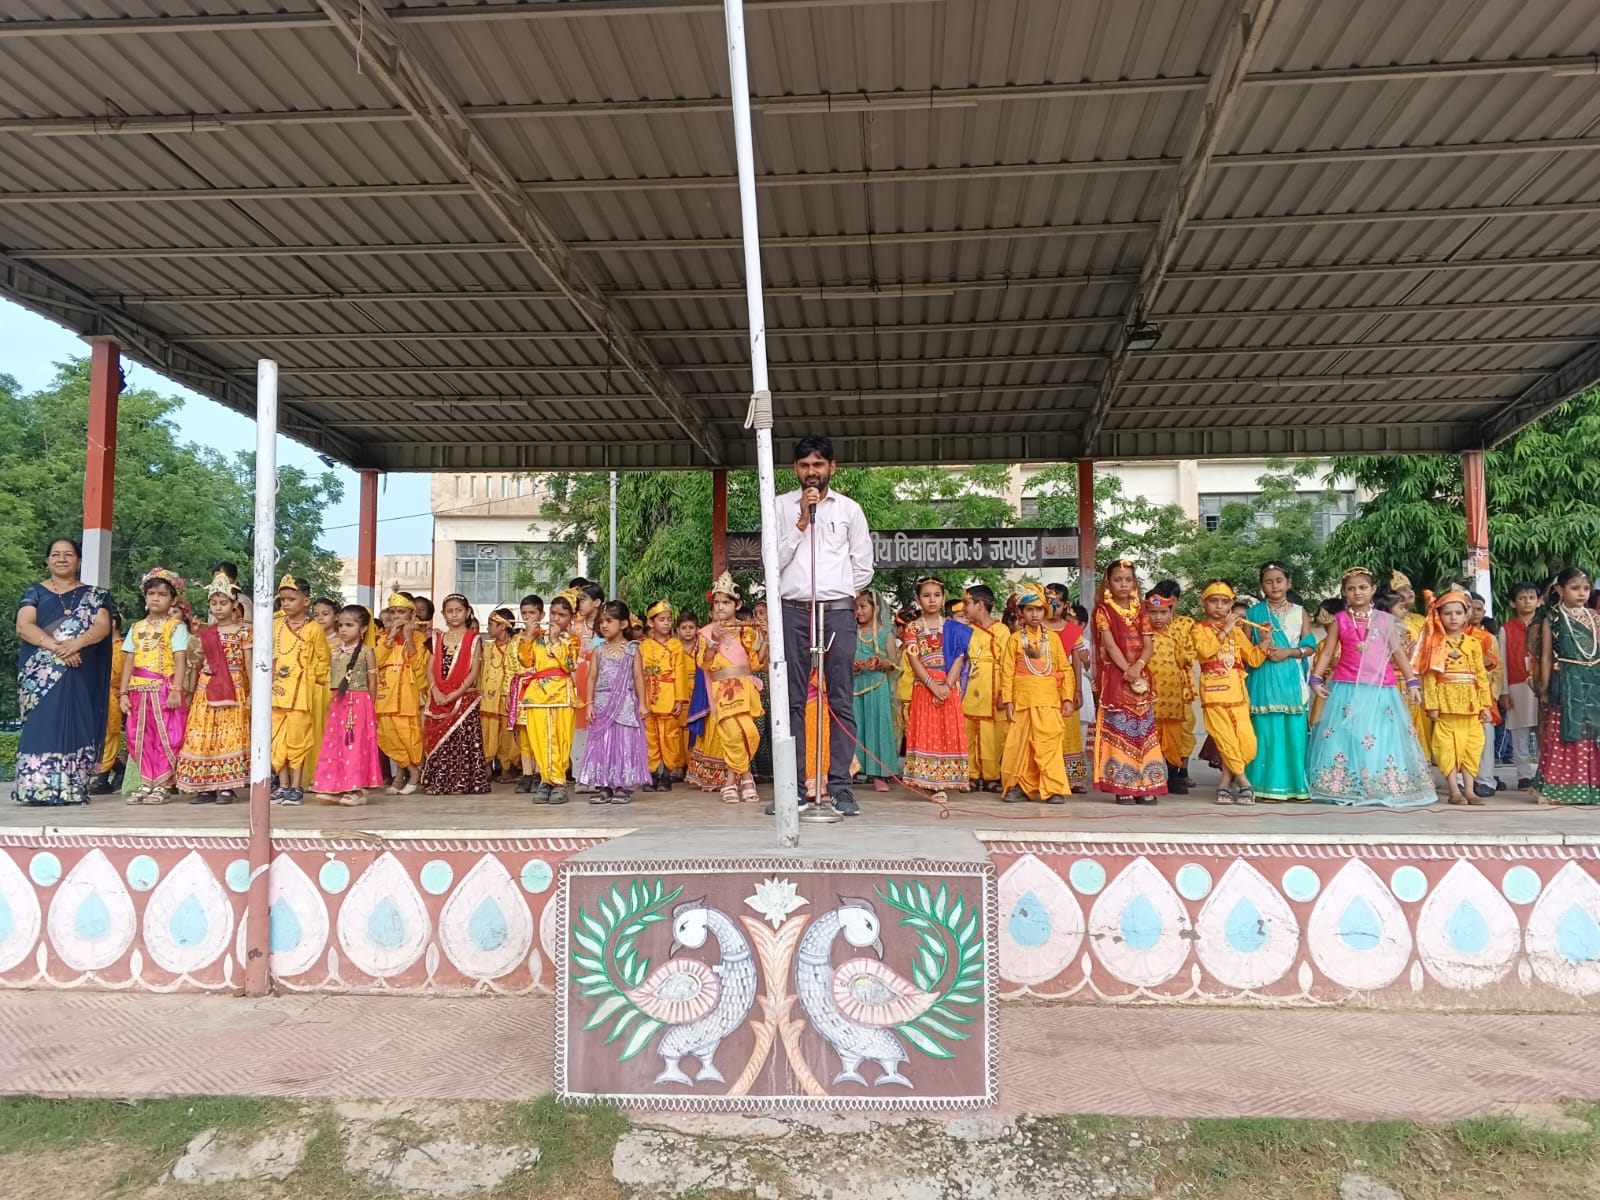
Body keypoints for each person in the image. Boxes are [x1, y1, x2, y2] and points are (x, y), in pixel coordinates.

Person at [773, 433, 874, 816]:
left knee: (840, 697)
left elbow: (863, 565)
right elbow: (773, 561)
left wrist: (840, 592)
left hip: (836, 610)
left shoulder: (850, 510)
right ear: (794, 470)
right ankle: (794, 790)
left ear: (832, 468)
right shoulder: (781, 506)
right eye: (804, 465)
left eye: (818, 465)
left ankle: (840, 787)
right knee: (793, 700)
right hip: (793, 609)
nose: (811, 472)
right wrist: (801, 520)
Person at [1307, 567, 1434, 808]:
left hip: (1380, 688)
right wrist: (1315, 679)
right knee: (1347, 736)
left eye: (1363, 587)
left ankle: (1380, 784)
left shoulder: (1386, 620)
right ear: (1344, 592)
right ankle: (1348, 785)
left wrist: (1413, 681)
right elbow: (1327, 653)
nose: (1357, 592)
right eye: (1351, 588)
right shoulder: (1340, 620)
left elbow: (1398, 654)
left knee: (1379, 737)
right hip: (1346, 686)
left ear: (1373, 590)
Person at [14, 538, 114, 807]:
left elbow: (102, 626)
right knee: (41, 724)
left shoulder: (95, 595)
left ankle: (72, 787)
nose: (61, 559)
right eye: (55, 554)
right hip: (40, 672)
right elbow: (24, 626)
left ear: (79, 561)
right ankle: (34, 788)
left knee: (77, 720)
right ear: (47, 560)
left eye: (68, 554)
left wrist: (76, 644)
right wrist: (59, 648)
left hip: (79, 669)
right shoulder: (34, 591)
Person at [1093, 558, 1166, 805]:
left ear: (1134, 582)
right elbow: (1110, 646)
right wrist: (1127, 670)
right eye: (1117, 580)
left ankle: (1147, 785)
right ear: (1108, 583)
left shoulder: (1142, 611)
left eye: (1128, 579)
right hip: (1116, 677)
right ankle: (1122, 785)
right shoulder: (1103, 611)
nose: (1123, 584)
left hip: (1140, 676)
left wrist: (1139, 667)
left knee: (1143, 731)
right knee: (1120, 730)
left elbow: (1148, 646)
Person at [176, 571, 251, 805]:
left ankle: (226, 786)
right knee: (203, 736)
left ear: (234, 604)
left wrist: (253, 694)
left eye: (223, 603)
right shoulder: (204, 633)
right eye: (214, 603)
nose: (218, 608)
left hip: (234, 688)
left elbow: (249, 665)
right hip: (206, 689)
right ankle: (204, 786)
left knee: (229, 737)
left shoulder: (244, 633)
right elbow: (194, 664)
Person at [1245, 562, 1318, 803]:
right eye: (1268, 581)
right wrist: (1263, 647)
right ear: (1261, 585)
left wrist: (1288, 652)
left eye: (1279, 580)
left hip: (1290, 681)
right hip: (1263, 679)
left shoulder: (1300, 612)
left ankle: (1297, 787)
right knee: (1266, 733)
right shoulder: (1253, 613)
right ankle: (1264, 787)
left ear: (1289, 583)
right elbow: (1245, 651)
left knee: (1294, 734)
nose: (1274, 585)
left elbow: (1310, 647)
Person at [1190, 582, 1267, 804]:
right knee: (1225, 740)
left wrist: (1265, 640)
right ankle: (1244, 783)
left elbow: (1252, 659)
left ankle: (1225, 781)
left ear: (1231, 605)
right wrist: (1225, 629)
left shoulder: (1235, 630)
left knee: (1247, 743)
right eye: (1214, 601)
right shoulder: (1199, 629)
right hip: (1214, 694)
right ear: (1204, 603)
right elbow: (1206, 651)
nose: (1219, 607)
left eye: (1225, 602)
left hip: (1238, 694)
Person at [118, 567, 190, 804]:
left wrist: (176, 690)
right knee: (138, 736)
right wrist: (123, 693)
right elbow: (128, 660)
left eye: (162, 594)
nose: (156, 598)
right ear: (145, 597)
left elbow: (180, 659)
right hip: (138, 690)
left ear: (172, 600)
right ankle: (146, 782)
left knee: (166, 736)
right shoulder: (136, 628)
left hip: (163, 689)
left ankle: (163, 784)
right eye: (152, 593)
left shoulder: (176, 627)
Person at [999, 581, 1074, 804]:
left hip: (1049, 700)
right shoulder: (1014, 640)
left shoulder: (1053, 639)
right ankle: (1020, 787)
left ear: (1045, 611)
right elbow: (1006, 672)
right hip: (1022, 700)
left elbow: (1065, 669)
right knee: (1019, 746)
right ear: (1021, 612)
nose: (1034, 614)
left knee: (1048, 744)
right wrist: (1008, 700)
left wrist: (1068, 697)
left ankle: (1053, 789)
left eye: (1039, 609)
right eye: (1029, 609)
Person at [1417, 589, 1494, 806]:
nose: (1453, 618)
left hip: (1471, 704)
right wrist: (1431, 704)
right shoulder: (1434, 643)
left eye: (1458, 613)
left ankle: (1470, 790)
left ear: (1466, 615)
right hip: (1445, 704)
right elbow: (1430, 677)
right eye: (1448, 613)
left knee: (1473, 745)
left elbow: (1481, 675)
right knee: (1446, 747)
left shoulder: (1473, 644)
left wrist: (1485, 705)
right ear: (1438, 615)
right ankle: (1454, 790)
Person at [1532, 568, 1600, 806]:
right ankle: (1560, 790)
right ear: (1559, 590)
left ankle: (1592, 789)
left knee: (1593, 734)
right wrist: (1545, 688)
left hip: (1593, 681)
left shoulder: (1594, 616)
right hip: (1566, 680)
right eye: (1575, 588)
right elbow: (1547, 655)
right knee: (1565, 734)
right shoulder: (1553, 618)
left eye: (1585, 588)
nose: (1582, 593)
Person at [699, 572, 767, 805]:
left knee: (750, 733)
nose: (720, 607)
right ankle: (745, 778)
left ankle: (731, 779)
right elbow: (705, 663)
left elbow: (757, 662)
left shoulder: (747, 630)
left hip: (745, 689)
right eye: (717, 602)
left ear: (737, 604)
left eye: (726, 602)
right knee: (732, 734)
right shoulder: (706, 632)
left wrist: (766, 637)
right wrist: (712, 640)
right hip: (722, 689)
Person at [901, 577, 970, 803]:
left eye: (937, 595)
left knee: (946, 732)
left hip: (948, 686)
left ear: (943, 598)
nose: (932, 600)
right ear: (918, 599)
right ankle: (931, 783)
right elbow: (913, 659)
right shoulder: (913, 628)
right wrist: (932, 685)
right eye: (926, 595)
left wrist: (947, 686)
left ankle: (948, 779)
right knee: (928, 733)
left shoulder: (954, 628)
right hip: (925, 686)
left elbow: (959, 658)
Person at [510, 590, 581, 805]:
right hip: (537, 695)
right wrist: (528, 636)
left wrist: (555, 641)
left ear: (572, 618)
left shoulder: (573, 640)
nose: (556, 619)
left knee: (560, 739)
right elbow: (525, 661)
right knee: (539, 738)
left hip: (561, 693)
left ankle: (558, 783)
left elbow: (569, 665)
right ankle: (545, 780)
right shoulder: (537, 638)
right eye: (554, 614)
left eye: (562, 615)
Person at [578, 601, 652, 805]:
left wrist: (643, 703)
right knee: (603, 743)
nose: (604, 625)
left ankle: (623, 786)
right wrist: (590, 703)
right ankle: (604, 786)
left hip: (625, 703)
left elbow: (638, 678)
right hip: (602, 703)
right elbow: (591, 678)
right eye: (601, 621)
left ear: (623, 624)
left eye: (609, 621)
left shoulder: (632, 649)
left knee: (624, 743)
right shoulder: (598, 650)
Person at [269, 574, 330, 806]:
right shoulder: (274, 625)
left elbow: (322, 660)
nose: (286, 604)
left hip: (302, 693)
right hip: (276, 691)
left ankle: (296, 787)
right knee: (277, 741)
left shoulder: (314, 629)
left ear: (306, 601)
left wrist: (314, 685)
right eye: (283, 599)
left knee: (298, 740)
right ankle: (282, 785)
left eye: (291, 599)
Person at [312, 605, 383, 806]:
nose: (343, 629)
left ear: (362, 629)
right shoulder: (334, 651)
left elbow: (372, 683)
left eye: (349, 625)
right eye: (341, 625)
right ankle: (335, 785)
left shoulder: (367, 652)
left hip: (360, 703)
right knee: (335, 743)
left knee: (354, 744)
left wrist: (372, 707)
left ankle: (356, 788)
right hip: (339, 703)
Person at [422, 593, 491, 795]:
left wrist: (455, 695)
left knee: (462, 743)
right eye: (449, 611)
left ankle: (462, 782)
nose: (454, 615)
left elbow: (473, 673)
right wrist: (435, 690)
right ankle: (441, 782)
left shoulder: (474, 639)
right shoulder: (437, 639)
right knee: (442, 742)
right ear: (443, 614)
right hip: (438, 697)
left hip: (464, 698)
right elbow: (430, 668)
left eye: (458, 610)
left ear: (467, 612)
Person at [949, 585, 1008, 793]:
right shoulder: (964, 628)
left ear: (980, 605)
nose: (964, 608)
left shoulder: (1002, 630)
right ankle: (971, 774)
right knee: (968, 733)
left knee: (994, 736)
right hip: (969, 685)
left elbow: (1008, 664)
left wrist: (1005, 693)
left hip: (993, 686)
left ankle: (992, 775)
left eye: (967, 603)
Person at [374, 592, 427, 797]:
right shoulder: (382, 638)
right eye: (393, 612)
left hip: (407, 698)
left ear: (412, 614)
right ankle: (414, 772)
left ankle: (411, 775)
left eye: (402, 612)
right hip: (384, 697)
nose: (397, 616)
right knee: (387, 738)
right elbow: (376, 663)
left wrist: (408, 638)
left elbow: (420, 669)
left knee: (409, 739)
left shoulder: (420, 638)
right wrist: (390, 637)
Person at [1145, 583, 1196, 795]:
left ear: (1171, 610)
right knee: (1149, 737)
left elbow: (1190, 656)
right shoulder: (1142, 633)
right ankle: (1152, 778)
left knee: (1175, 737)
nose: (1158, 618)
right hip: (1149, 694)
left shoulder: (1179, 632)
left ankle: (1176, 777)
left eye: (1163, 612)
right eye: (1153, 612)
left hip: (1175, 695)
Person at [851, 591, 899, 792]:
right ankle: (853, 770)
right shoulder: (851, 631)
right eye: (857, 607)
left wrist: (879, 663)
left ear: (876, 609)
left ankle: (880, 774)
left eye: (863, 607)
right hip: (854, 686)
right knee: (855, 728)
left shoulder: (885, 632)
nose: (859, 611)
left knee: (877, 727)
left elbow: (894, 664)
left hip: (877, 686)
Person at [638, 599, 686, 792]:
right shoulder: (643, 646)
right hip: (649, 694)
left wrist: (679, 699)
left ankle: (666, 773)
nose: (666, 623)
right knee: (650, 736)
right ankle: (651, 773)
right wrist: (640, 698)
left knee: (670, 736)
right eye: (662, 619)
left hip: (669, 693)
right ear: (651, 623)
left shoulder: (676, 645)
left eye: (668, 619)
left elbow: (681, 673)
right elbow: (639, 673)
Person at [1500, 582, 1542, 789]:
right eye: (1522, 598)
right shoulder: (1506, 629)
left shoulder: (1545, 625)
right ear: (1512, 602)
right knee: (1520, 732)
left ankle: (1545, 772)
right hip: (1517, 685)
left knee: (1543, 730)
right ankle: (1524, 775)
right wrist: (1504, 691)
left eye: (1532, 597)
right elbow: (1502, 663)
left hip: (1542, 685)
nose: (1527, 601)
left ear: (1539, 601)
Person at [1466, 593, 1504, 798]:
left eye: (1478, 609)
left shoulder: (1487, 638)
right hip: (1454, 694)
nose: (1473, 613)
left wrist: (1494, 696)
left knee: (1486, 738)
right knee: (1459, 738)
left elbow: (1497, 669)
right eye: (1469, 608)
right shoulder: (1445, 636)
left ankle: (1486, 780)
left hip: (1482, 695)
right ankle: (1464, 780)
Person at [478, 608, 519, 781]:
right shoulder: (487, 647)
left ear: (503, 626)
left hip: (507, 698)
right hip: (488, 698)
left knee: (506, 735)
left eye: (491, 624)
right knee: (487, 732)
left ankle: (506, 769)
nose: (488, 628)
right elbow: (481, 673)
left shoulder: (515, 646)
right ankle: (487, 766)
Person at [671, 611, 699, 783]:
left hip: (697, 692)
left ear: (697, 629)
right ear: (677, 630)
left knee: (694, 728)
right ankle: (678, 766)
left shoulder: (702, 646)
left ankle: (693, 766)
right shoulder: (674, 647)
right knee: (678, 729)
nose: (688, 631)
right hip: (679, 693)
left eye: (691, 627)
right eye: (684, 628)